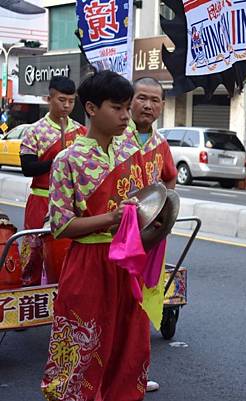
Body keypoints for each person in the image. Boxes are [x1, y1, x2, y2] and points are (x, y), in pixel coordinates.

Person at [41, 71, 149, 401]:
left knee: (128, 345)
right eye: (117, 108)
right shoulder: (67, 160)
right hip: (88, 263)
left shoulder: (130, 154)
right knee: (80, 348)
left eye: (127, 108)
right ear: (90, 108)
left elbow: (145, 205)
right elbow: (60, 225)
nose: (125, 116)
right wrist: (110, 219)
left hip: (127, 263)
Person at [126, 76, 178, 394]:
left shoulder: (161, 144)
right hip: (118, 235)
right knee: (117, 303)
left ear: (162, 105)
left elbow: (170, 181)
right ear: (129, 101)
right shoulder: (116, 138)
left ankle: (136, 374)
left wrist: (161, 212)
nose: (148, 105)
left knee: (144, 304)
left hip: (152, 238)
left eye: (154, 100)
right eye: (141, 98)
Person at [19, 76, 86, 286]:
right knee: (33, 255)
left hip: (70, 203)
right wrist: (59, 160)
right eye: (61, 100)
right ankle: (31, 300)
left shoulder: (81, 132)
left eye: (71, 101)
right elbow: (27, 168)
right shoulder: (35, 131)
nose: (67, 106)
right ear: (49, 98)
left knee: (69, 253)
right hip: (41, 201)